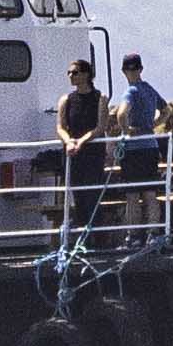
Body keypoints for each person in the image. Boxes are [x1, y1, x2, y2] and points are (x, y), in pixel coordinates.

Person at [54, 58, 114, 234]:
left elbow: (100, 127)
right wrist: (68, 141)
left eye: (75, 72)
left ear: (86, 74)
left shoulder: (100, 98)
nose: (71, 76)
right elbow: (60, 127)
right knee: (78, 195)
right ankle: (82, 236)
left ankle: (96, 236)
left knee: (92, 194)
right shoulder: (66, 100)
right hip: (73, 154)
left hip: (92, 154)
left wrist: (81, 141)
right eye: (69, 73)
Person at [115, 55, 169, 222]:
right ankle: (153, 231)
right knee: (150, 193)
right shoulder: (149, 89)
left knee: (132, 195)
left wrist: (127, 130)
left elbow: (121, 113)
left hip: (133, 149)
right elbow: (166, 110)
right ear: (141, 69)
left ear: (124, 71)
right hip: (150, 146)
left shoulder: (131, 91)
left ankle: (134, 235)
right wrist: (153, 124)